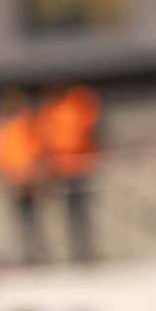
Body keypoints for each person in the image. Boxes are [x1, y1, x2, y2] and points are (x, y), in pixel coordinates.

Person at [40, 83, 102, 263]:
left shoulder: (77, 105)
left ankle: (86, 253)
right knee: (70, 213)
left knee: (82, 212)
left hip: (78, 166)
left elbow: (88, 131)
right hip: (62, 168)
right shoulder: (51, 109)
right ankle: (77, 254)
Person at [0, 88, 48, 266]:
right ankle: (29, 260)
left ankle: (40, 260)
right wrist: (8, 178)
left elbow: (37, 152)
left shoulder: (27, 126)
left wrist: (34, 178)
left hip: (30, 184)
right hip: (14, 185)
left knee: (36, 224)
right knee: (23, 225)